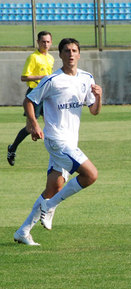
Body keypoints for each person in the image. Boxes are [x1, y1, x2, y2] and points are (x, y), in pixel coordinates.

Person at [13, 38, 102, 246]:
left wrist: (99, 97)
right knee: (91, 174)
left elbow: (94, 111)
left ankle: (23, 231)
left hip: (71, 141)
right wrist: (34, 123)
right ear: (60, 55)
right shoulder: (52, 80)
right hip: (56, 139)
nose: (71, 54)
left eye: (74, 50)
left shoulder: (86, 78)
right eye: (66, 51)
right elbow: (29, 101)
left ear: (79, 54)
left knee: (54, 188)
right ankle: (50, 205)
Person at [7, 31, 54, 166]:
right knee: (30, 128)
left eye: (48, 42)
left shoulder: (50, 58)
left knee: (53, 123)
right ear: (38, 42)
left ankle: (58, 153)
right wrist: (41, 77)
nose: (45, 44)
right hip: (35, 93)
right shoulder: (33, 57)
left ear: (51, 43)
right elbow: (24, 77)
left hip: (47, 94)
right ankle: (12, 149)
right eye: (43, 41)